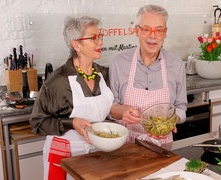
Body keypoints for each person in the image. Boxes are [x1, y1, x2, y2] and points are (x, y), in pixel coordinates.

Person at [29, 16, 113, 180]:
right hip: (65, 154)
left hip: (97, 151)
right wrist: (71, 123)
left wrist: (118, 111)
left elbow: (103, 110)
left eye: (100, 36)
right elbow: (37, 123)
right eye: (93, 38)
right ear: (76, 45)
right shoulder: (58, 81)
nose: (100, 42)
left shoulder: (102, 73)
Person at [109, 4, 187, 148]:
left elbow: (181, 107)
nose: (152, 35)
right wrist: (120, 111)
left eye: (158, 30)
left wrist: (170, 121)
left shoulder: (176, 64)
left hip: (162, 145)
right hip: (125, 145)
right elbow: (109, 108)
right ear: (136, 31)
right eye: (146, 29)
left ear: (165, 33)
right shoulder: (118, 63)